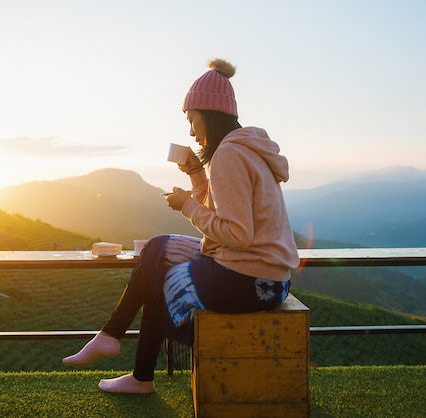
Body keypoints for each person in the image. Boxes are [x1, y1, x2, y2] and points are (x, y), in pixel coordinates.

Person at [62, 58, 300, 394]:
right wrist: (195, 174)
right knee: (157, 247)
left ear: (209, 115)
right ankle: (114, 343)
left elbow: (237, 234)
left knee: (160, 275)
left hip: (251, 280)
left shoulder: (229, 156)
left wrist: (186, 205)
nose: (191, 131)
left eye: (192, 119)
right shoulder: (243, 150)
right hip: (269, 277)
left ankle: (132, 365)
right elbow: (223, 211)